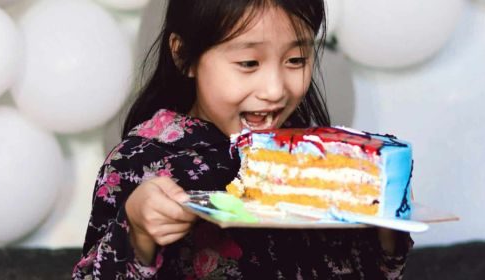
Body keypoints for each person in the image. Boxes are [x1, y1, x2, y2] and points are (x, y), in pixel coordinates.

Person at [73, 0, 413, 279]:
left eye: (296, 60)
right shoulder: (140, 163)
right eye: (249, 63)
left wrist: (386, 226)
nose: (275, 89)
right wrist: (139, 234)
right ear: (183, 55)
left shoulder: (311, 161)